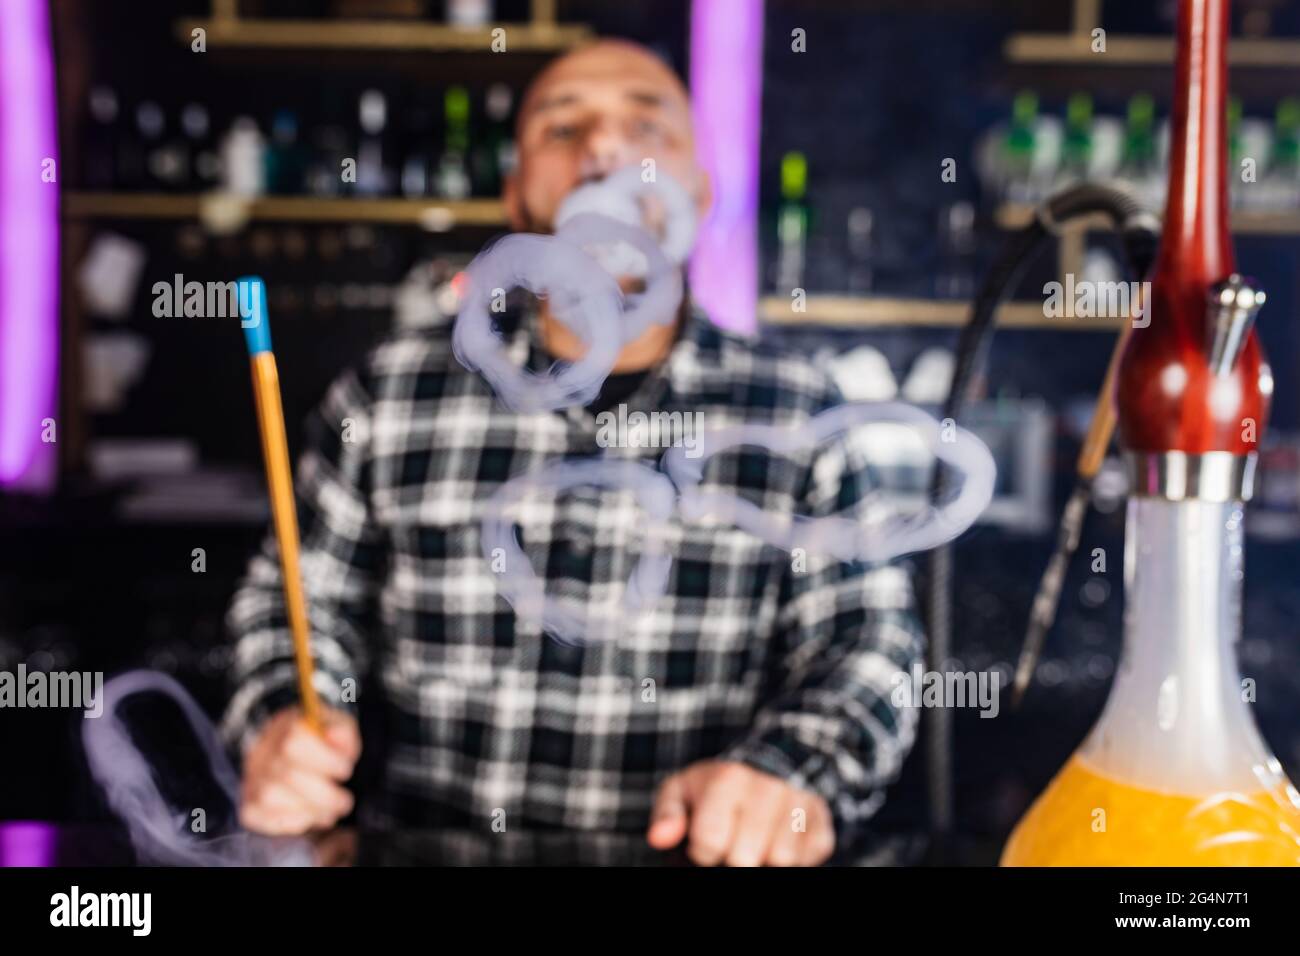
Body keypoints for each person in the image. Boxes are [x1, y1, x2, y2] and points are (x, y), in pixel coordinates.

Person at [223, 39, 924, 867]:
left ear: (700, 193)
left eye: (647, 126)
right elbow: (297, 604)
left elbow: (869, 646)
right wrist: (287, 719)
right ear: (517, 195)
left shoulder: (800, 411)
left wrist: (787, 774)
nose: (604, 149)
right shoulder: (388, 393)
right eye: (563, 129)